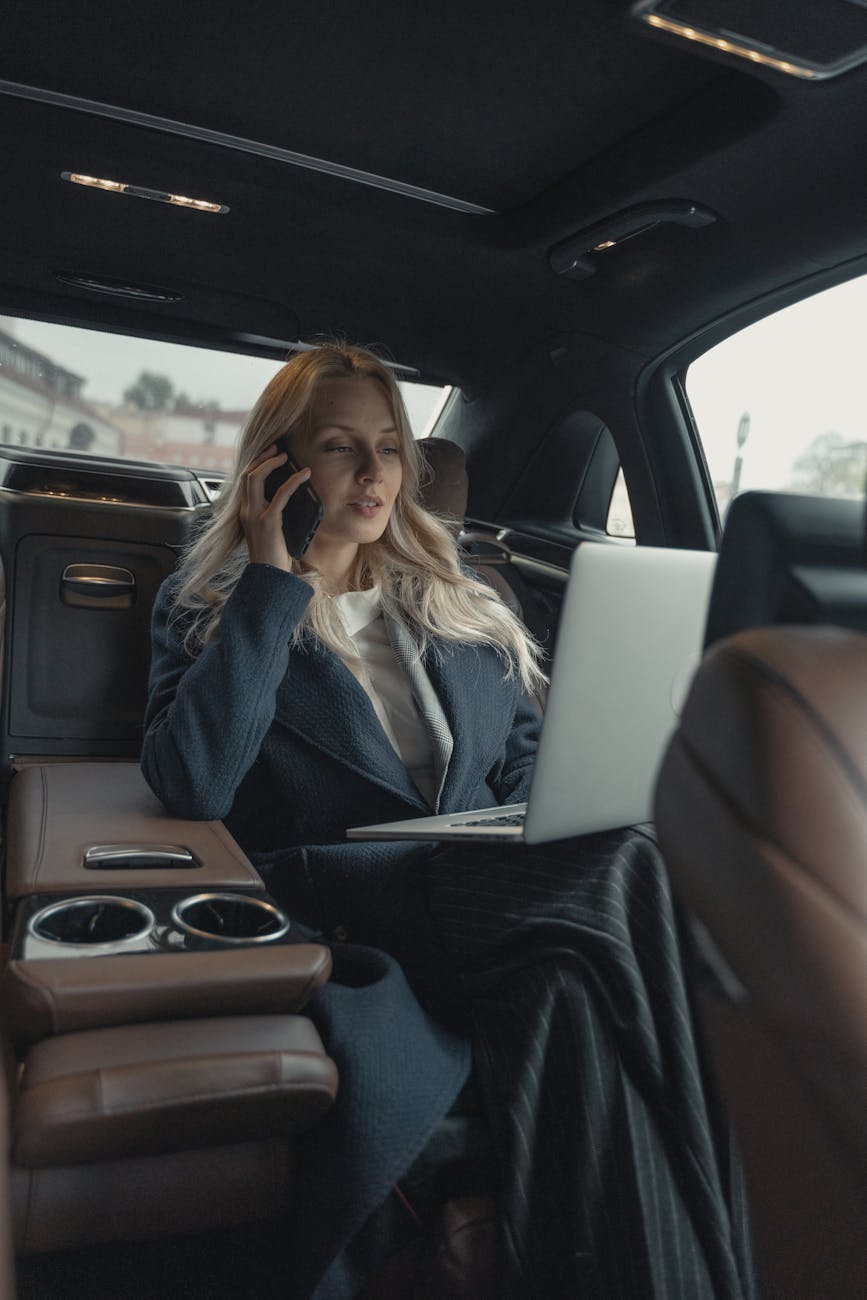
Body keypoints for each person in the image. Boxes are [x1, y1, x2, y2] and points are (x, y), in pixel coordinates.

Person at [141, 342, 756, 1300]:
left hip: (496, 891)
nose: (378, 470)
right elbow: (194, 784)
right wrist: (275, 582)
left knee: (584, 967)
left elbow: (520, 765)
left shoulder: (462, 600)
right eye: (342, 446)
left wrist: (561, 794)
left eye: (390, 445)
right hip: (350, 897)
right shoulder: (213, 605)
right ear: (278, 465)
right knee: (624, 872)